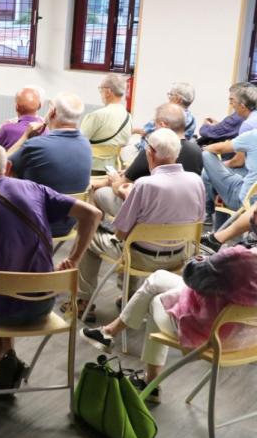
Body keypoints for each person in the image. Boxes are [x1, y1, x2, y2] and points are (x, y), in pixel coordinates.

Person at [0, 142, 101, 397]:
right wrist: (73, 259)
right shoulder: (35, 189)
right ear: (8, 168)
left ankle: (7, 359)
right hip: (43, 301)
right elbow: (93, 214)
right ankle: (8, 359)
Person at [82, 247, 257, 403]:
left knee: (156, 301)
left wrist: (202, 259)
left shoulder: (238, 258)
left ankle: (150, 382)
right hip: (244, 339)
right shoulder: (242, 259)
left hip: (210, 333)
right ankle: (109, 331)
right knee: (157, 279)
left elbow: (191, 275)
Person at [76, 128, 206, 321]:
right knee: (137, 239)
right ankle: (128, 297)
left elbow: (122, 232)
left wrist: (128, 197)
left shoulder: (144, 185)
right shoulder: (196, 181)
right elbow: (199, 219)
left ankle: (83, 301)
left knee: (89, 236)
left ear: (150, 153)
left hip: (139, 257)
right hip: (179, 256)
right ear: (176, 153)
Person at [91, 103, 201, 218]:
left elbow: (119, 187)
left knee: (100, 192)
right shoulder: (197, 152)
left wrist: (114, 180)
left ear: (162, 125)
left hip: (149, 218)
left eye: (155, 125)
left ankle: (103, 231)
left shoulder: (153, 150)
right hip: (183, 219)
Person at [7, 93, 92, 237]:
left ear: (52, 112)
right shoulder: (86, 144)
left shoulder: (35, 145)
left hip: (33, 223)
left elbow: (2, 165)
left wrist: (25, 137)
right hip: (69, 223)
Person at [202, 120, 257, 229]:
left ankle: (209, 214)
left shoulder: (252, 134)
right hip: (249, 186)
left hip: (245, 198)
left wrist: (203, 148)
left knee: (206, 157)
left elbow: (218, 149)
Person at [80, 73, 133, 163]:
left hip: (91, 167)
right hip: (114, 168)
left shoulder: (96, 116)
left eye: (101, 89)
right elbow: (125, 142)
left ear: (108, 92)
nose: (100, 92)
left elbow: (78, 142)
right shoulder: (128, 117)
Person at [132, 82, 197, 141]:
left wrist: (134, 130)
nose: (169, 97)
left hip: (152, 151)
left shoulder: (167, 115)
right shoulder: (193, 120)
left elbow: (145, 132)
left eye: (171, 94)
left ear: (178, 99)